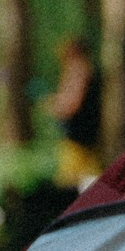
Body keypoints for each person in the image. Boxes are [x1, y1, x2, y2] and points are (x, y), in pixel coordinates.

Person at [50, 37, 105, 190]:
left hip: (78, 138)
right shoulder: (86, 70)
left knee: (70, 183)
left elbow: (72, 104)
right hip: (86, 137)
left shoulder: (79, 71)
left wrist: (57, 107)